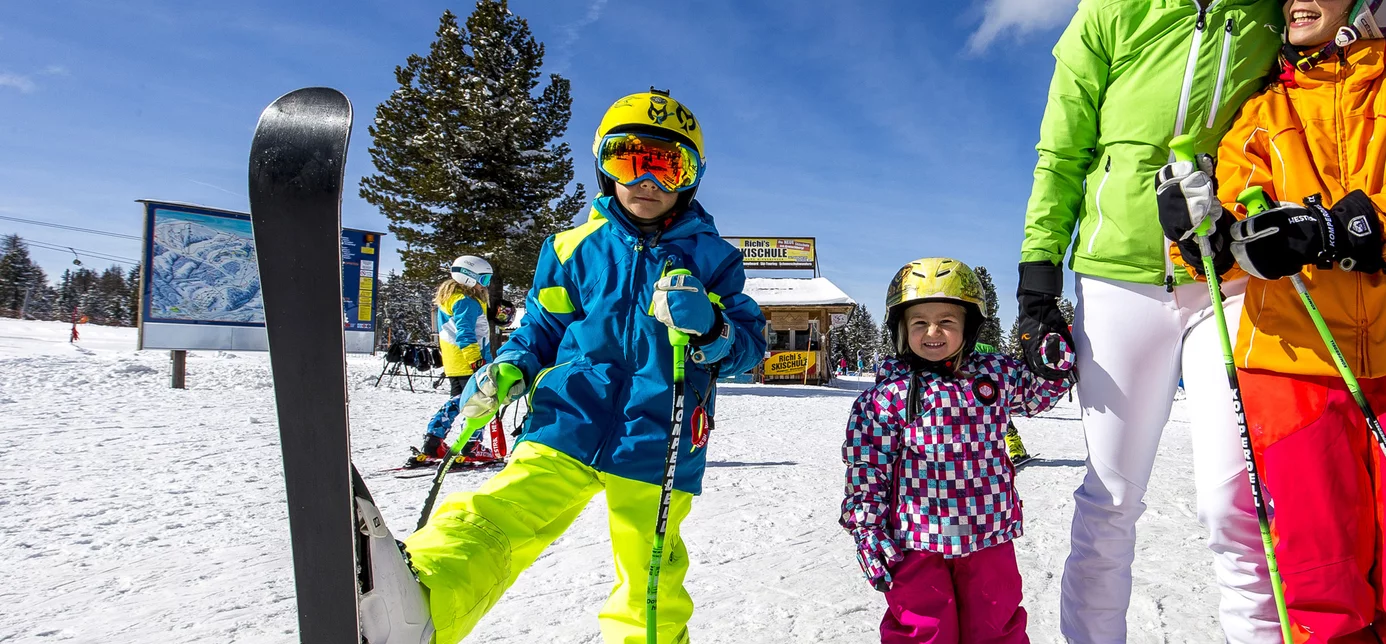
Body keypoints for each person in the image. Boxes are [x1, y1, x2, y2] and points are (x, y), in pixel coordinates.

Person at [354, 89, 767, 644]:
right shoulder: (572, 247)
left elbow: (749, 347)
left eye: (667, 166)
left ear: (689, 177)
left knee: (650, 578)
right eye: (629, 159)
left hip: (660, 434)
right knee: (499, 510)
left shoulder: (714, 259)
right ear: (603, 165)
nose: (647, 181)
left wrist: (714, 330)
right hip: (568, 416)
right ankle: (421, 596)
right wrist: (512, 366)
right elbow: (541, 329)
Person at [1156, 0, 1386, 640]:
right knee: (1317, 568)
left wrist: (1341, 225)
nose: (1294, 1)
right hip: (1291, 363)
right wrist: (1201, 234)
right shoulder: (1258, 115)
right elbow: (1227, 254)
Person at [1014, 1, 1287, 639]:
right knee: (1110, 498)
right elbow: (1062, 150)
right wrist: (1038, 279)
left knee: (1237, 507)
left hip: (1231, 275)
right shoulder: (1112, 10)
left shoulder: (1269, 11)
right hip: (1118, 279)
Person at [841, 258, 1074, 643]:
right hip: (915, 541)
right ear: (901, 330)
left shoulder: (994, 376)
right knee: (923, 630)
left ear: (969, 326)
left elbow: (1036, 395)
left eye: (947, 321)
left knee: (995, 626)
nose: (933, 332)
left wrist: (1053, 363)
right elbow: (867, 468)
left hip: (988, 534)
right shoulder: (885, 397)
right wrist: (866, 527)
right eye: (919, 323)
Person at [410, 255, 496, 466]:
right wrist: (477, 361)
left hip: (455, 362)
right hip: (469, 361)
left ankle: (434, 440)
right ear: (467, 278)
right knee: (479, 404)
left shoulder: (452, 299)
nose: (484, 286)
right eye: (482, 280)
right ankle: (470, 445)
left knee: (457, 402)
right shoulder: (466, 301)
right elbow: (466, 334)